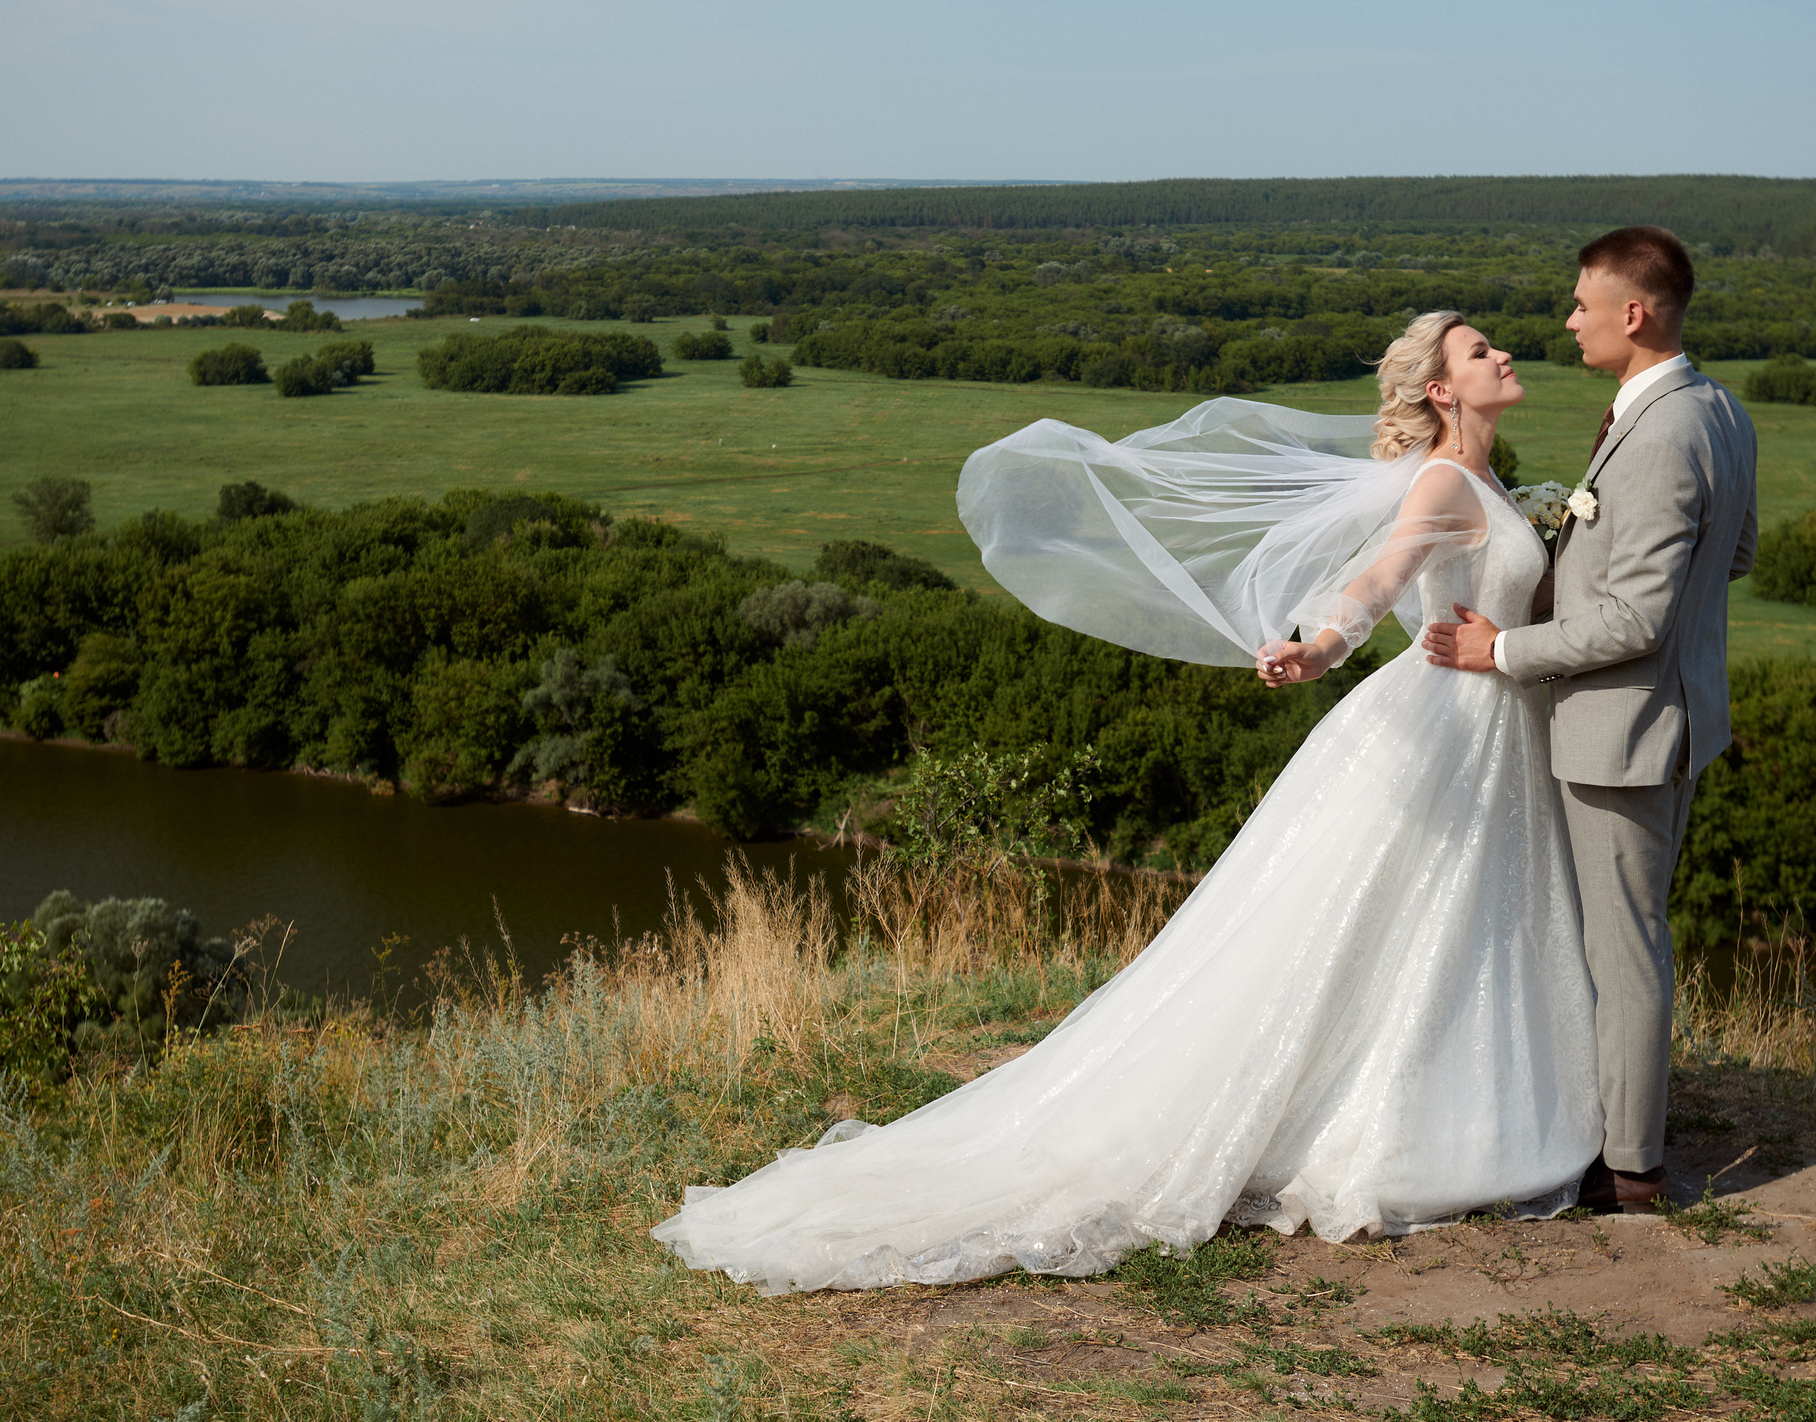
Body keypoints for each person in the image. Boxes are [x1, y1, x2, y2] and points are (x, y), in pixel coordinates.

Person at [652, 311, 1604, 1295]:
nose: (1503, 355)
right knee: (1389, 922)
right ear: (1442, 391)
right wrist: (1315, 645)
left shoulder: (1492, 481)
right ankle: (1407, 1131)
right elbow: (1379, 574)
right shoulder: (1445, 480)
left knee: (1452, 928)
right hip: (1441, 724)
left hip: (1492, 728)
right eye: (1479, 351)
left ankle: (1467, 1114)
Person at [1419, 225, 1757, 1214]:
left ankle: (1632, 1168)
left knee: (1624, 945)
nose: (1567, 320)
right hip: (1675, 716)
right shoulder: (1720, 409)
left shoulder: (1660, 429)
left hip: (1623, 730)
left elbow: (1637, 616)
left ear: (1633, 312)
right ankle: (1611, 1134)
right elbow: (1729, 556)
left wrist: (1505, 650)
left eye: (1580, 303)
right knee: (1626, 935)